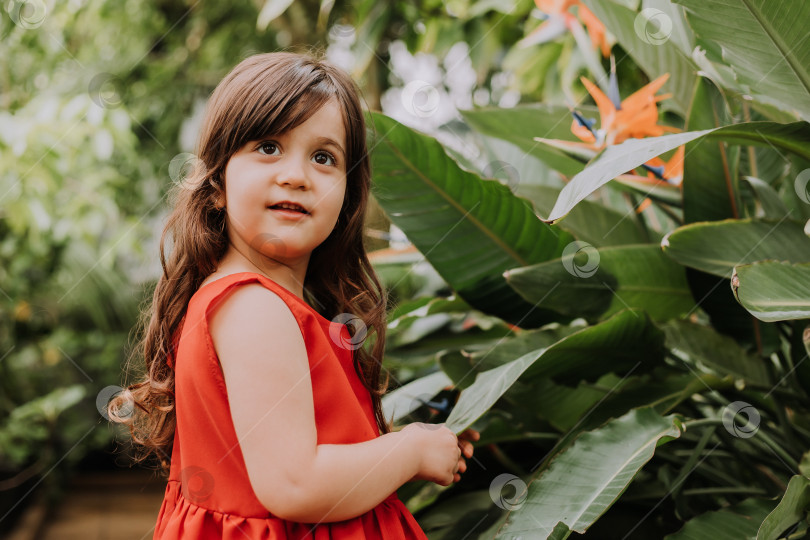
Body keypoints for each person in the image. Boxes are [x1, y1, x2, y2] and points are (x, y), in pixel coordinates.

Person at [107, 51, 480, 539]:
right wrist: (410, 452)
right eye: (267, 147)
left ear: (347, 197)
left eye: (324, 157)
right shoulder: (255, 309)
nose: (296, 175)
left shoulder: (260, 303)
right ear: (216, 183)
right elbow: (294, 484)